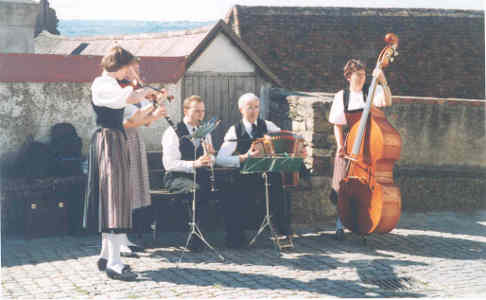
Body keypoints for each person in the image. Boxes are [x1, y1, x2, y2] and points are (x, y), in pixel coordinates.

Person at [83, 46, 159, 281]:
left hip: (115, 139)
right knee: (115, 200)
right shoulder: (102, 84)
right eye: (128, 67)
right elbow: (125, 99)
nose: (130, 72)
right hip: (108, 140)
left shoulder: (115, 85)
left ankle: (107, 255)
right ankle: (115, 263)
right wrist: (143, 90)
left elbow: (131, 115)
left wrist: (152, 105)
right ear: (119, 65)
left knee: (113, 199)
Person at [216, 93, 292, 249]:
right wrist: (243, 157)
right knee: (234, 193)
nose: (253, 111)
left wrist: (291, 149)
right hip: (244, 176)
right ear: (241, 109)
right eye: (249, 107)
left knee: (281, 189)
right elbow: (220, 158)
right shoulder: (234, 130)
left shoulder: (268, 126)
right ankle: (236, 237)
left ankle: (284, 233)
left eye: (256, 107)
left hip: (266, 175)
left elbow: (286, 142)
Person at [328, 59, 392, 241]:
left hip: (370, 145)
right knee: (342, 183)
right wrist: (340, 145)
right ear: (349, 76)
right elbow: (337, 124)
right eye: (358, 75)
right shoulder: (341, 96)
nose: (363, 78)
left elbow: (387, 101)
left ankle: (367, 220)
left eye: (364, 75)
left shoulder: (372, 91)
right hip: (350, 145)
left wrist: (383, 81)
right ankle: (340, 223)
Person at [161, 95, 215, 251]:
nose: (201, 115)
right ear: (185, 110)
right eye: (196, 111)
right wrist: (194, 163)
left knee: (222, 188)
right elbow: (169, 164)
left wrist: (210, 156)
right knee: (196, 190)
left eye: (203, 111)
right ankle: (194, 237)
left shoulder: (205, 131)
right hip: (176, 177)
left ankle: (226, 237)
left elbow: (210, 158)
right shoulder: (173, 131)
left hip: (198, 175)